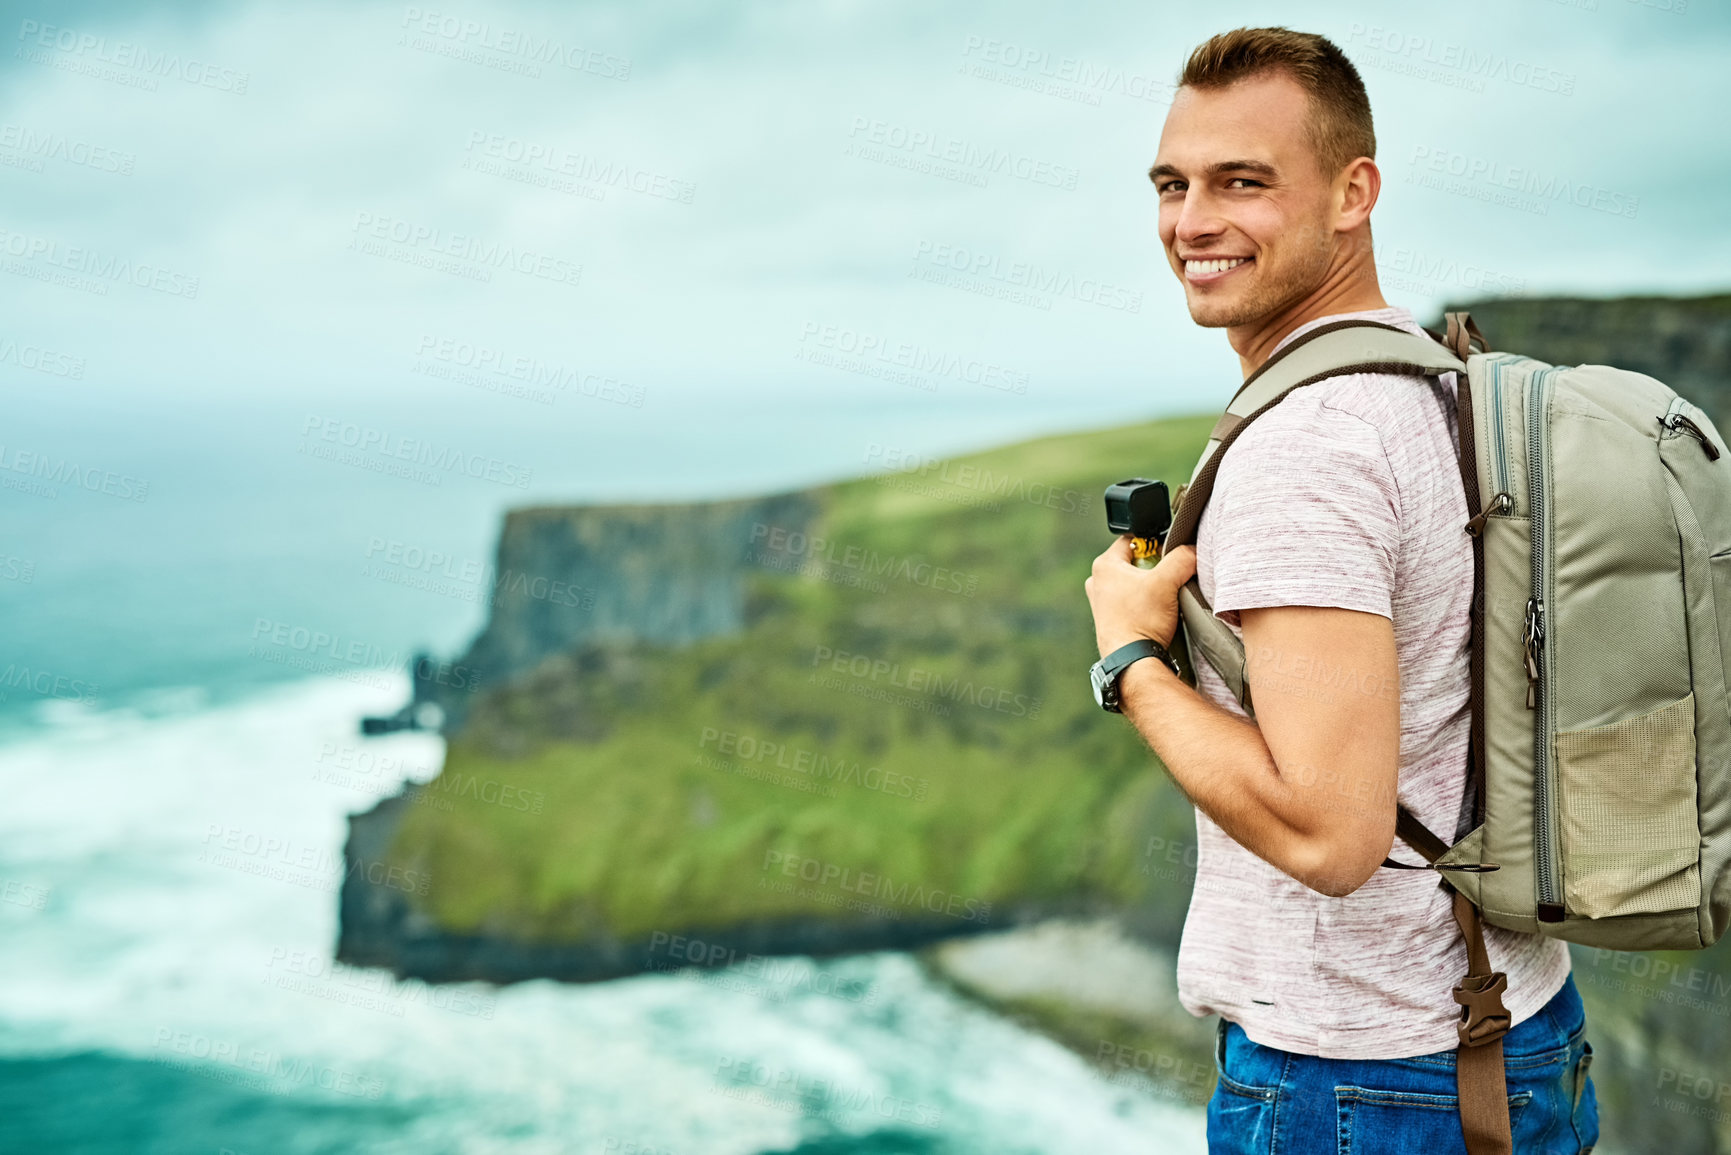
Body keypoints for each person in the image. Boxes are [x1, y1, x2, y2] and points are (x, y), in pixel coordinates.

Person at [1082, 27, 1598, 1154]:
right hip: (1518, 1017)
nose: (1192, 222)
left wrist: (1130, 661)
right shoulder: (1437, 378)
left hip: (1360, 1075)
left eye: (1242, 182)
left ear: (1354, 190)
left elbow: (1331, 836)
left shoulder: (1308, 445)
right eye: (1173, 184)